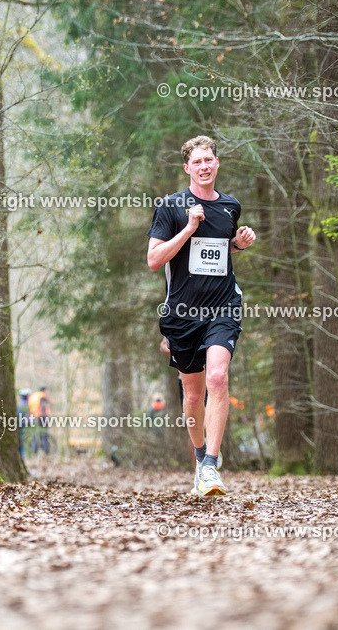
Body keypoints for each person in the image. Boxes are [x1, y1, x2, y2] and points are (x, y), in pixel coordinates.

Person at [147, 135, 256, 496]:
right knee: (192, 397)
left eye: (209, 159)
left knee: (219, 377)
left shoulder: (230, 207)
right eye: (197, 162)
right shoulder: (171, 207)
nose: (204, 166)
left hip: (222, 306)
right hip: (182, 314)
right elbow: (154, 260)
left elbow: (221, 250)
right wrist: (189, 229)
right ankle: (198, 458)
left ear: (217, 163)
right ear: (187, 168)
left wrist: (237, 243)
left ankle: (211, 464)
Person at [28, 386, 51, 455]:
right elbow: (44, 409)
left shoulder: (33, 396)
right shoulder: (42, 396)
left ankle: (34, 450)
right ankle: (45, 450)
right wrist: (47, 421)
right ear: (44, 390)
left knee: (35, 434)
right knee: (44, 434)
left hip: (33, 417)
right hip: (41, 417)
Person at [16, 388, 32, 459]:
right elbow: (21, 418)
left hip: (21, 426)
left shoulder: (23, 403)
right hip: (19, 426)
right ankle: (21, 457)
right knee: (20, 442)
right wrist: (29, 421)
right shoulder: (22, 404)